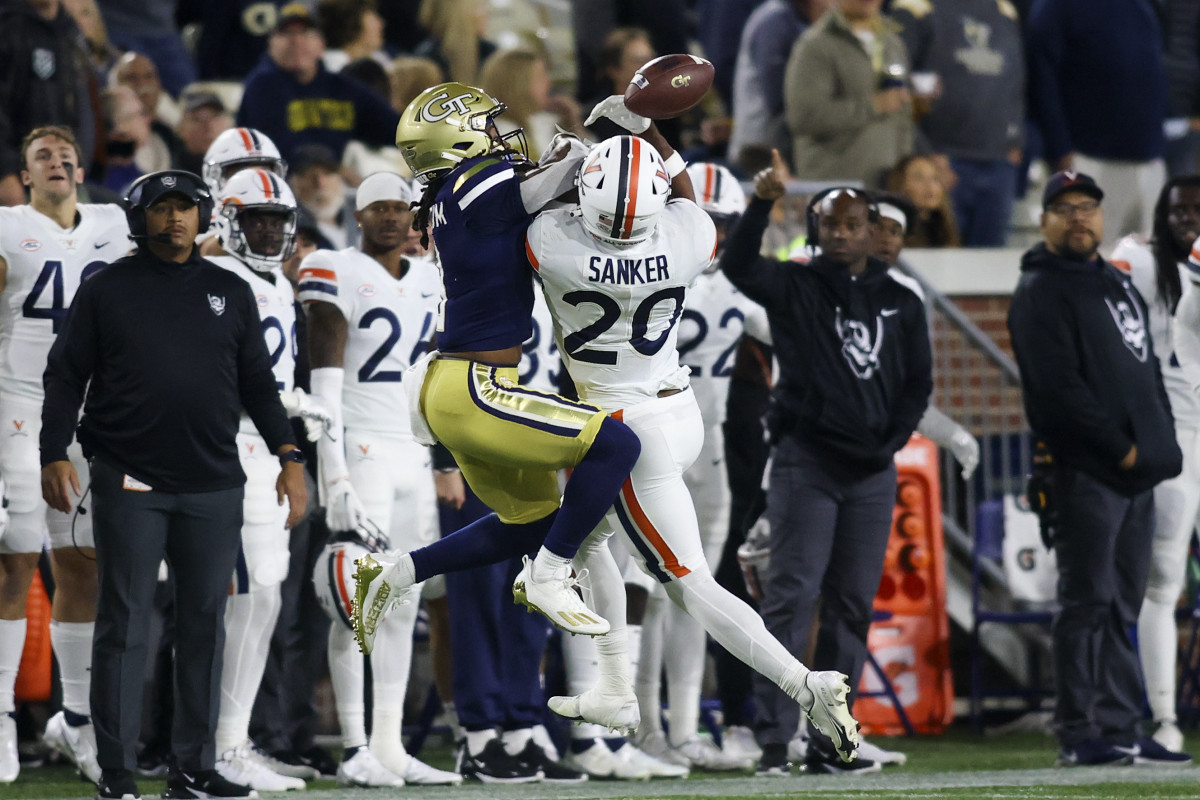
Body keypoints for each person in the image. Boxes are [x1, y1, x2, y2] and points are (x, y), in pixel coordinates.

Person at [531, 106, 860, 771]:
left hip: (623, 431)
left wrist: (569, 158)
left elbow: (530, 204)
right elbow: (684, 195)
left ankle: (804, 684)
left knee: (685, 581)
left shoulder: (552, 241)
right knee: (585, 540)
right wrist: (644, 127)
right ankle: (616, 687)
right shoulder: (687, 235)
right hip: (681, 414)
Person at [353, 82, 643, 675]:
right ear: (455, 139)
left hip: (457, 388)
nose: (497, 136)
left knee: (529, 523)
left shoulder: (453, 194)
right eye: (484, 127)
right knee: (617, 446)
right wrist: (613, 137)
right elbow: (558, 182)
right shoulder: (472, 183)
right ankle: (550, 575)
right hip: (476, 389)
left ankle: (394, 571)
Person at [40, 169, 308, 800]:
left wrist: (290, 455)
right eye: (161, 208)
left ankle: (194, 768)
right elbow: (64, 375)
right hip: (129, 478)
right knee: (125, 624)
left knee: (204, 625)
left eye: (185, 208)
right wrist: (54, 453)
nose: (175, 219)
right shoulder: (106, 289)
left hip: (215, 481)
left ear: (203, 215)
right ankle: (117, 774)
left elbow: (258, 386)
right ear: (139, 217)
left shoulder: (229, 290)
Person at [719, 152, 932, 775]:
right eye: (830, 223)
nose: (841, 233)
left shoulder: (903, 300)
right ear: (814, 230)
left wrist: (888, 444)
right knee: (790, 599)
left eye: (853, 223)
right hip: (805, 462)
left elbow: (917, 386)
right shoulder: (793, 285)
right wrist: (762, 203)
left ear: (872, 230)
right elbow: (737, 264)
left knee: (851, 605)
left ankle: (830, 739)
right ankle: (772, 740)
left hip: (871, 471)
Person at [1007, 170, 1189, 767]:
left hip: (1132, 474)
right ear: (1045, 221)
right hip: (1087, 471)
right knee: (1086, 603)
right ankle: (1079, 729)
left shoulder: (1113, 281)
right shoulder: (1040, 289)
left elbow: (1145, 369)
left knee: (1122, 605)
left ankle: (1118, 724)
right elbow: (1058, 392)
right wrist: (1124, 448)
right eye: (1065, 208)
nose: (1079, 217)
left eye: (1088, 206)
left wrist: (1156, 443)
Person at [298, 172, 461, 786]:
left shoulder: (430, 278)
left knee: (403, 601)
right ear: (358, 215)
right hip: (360, 447)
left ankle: (389, 745)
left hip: (411, 452)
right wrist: (332, 472)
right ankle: (354, 744)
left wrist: (444, 459)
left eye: (401, 208)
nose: (391, 218)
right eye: (379, 208)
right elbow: (324, 390)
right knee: (353, 601)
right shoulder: (336, 267)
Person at [0, 125, 129, 785]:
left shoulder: (115, 223)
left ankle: (75, 721)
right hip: (19, 407)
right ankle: (0, 716)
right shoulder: (7, 227)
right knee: (16, 557)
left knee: (83, 566)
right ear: (26, 176)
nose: (57, 161)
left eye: (65, 153)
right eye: (42, 156)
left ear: (82, 168)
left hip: (89, 416)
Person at [629, 161, 766, 771]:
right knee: (645, 592)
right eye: (701, 218)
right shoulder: (638, 265)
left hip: (706, 452)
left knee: (695, 590)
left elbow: (800, 343)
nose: (709, 232)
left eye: (721, 223)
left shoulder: (739, 286)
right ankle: (641, 723)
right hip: (642, 444)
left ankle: (682, 727)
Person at [205, 168, 335, 791]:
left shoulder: (274, 284)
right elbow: (214, 375)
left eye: (275, 221)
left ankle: (235, 740)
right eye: (254, 218)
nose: (266, 231)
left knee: (268, 599)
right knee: (239, 599)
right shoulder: (217, 279)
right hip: (230, 448)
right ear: (229, 220)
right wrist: (290, 403)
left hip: (268, 451)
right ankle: (217, 745)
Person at [1110, 176, 1200, 757]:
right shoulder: (1137, 257)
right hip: (1174, 434)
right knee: (1163, 579)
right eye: (1179, 208)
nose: (1187, 217)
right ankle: (1164, 716)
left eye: (1196, 209)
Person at [1026, 0, 1168, 241]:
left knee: (1148, 264)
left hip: (1148, 159)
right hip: (1089, 159)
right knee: (1085, 262)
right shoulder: (1057, 6)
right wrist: (1059, 149)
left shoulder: (1141, 5)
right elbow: (1041, 76)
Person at [891, 0, 1025, 247]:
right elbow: (896, 89)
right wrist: (926, 152)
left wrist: (1015, 138)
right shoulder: (915, 7)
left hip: (997, 161)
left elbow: (1017, 78)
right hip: (942, 161)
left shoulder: (1003, 9)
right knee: (939, 252)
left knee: (989, 266)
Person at [236, 3, 400, 165]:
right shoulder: (262, 88)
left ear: (321, 44)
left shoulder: (341, 88)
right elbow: (273, 150)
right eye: (286, 33)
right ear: (271, 45)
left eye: (306, 33)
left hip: (334, 184)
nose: (297, 41)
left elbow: (395, 129)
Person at [783, 0, 914, 187]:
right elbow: (803, 116)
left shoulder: (892, 43)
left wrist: (904, 167)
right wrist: (873, 106)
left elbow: (902, 116)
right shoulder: (816, 44)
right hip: (834, 185)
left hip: (886, 186)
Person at [0, 0, 101, 205]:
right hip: (20, 182)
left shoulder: (68, 30)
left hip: (64, 178)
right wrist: (5, 172)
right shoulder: (7, 27)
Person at [727, 0, 831, 169]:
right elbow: (778, 98)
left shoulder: (799, 18)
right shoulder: (774, 21)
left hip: (780, 151)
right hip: (759, 156)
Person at [885, 154, 960, 248]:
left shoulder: (945, 227)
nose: (930, 186)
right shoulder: (889, 231)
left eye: (935, 178)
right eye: (919, 178)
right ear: (900, 185)